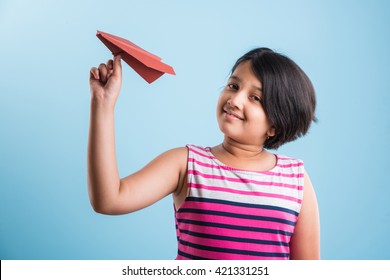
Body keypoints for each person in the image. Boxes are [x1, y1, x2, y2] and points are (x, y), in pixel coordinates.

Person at [88, 48, 320, 260]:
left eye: (255, 97)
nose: (235, 100)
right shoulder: (186, 164)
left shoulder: (296, 180)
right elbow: (109, 199)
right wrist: (102, 103)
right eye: (233, 86)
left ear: (276, 125)